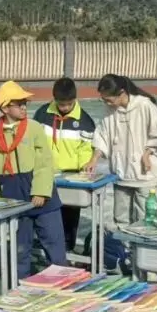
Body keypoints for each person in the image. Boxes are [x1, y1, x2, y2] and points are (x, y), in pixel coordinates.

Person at [0, 81, 66, 278]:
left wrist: (41, 191)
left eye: (25, 103)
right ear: (5, 108)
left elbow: (45, 163)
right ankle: (21, 285)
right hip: (14, 200)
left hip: (43, 198)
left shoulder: (34, 128)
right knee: (20, 249)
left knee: (54, 246)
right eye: (19, 104)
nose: (24, 107)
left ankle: (63, 283)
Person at [85, 74, 157, 226]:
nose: (106, 103)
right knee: (120, 217)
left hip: (145, 173)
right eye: (103, 99)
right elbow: (101, 136)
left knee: (144, 218)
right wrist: (94, 159)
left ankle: (141, 242)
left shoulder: (145, 105)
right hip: (121, 172)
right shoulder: (109, 109)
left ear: (122, 93)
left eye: (109, 99)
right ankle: (122, 241)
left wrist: (147, 153)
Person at [34, 77, 95, 251]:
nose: (65, 108)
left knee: (69, 216)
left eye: (69, 104)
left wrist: (84, 169)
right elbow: (34, 140)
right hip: (46, 173)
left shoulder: (84, 120)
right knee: (45, 214)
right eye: (61, 104)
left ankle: (68, 248)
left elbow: (86, 148)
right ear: (54, 99)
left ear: (75, 99)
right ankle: (45, 247)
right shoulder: (42, 114)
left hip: (72, 176)